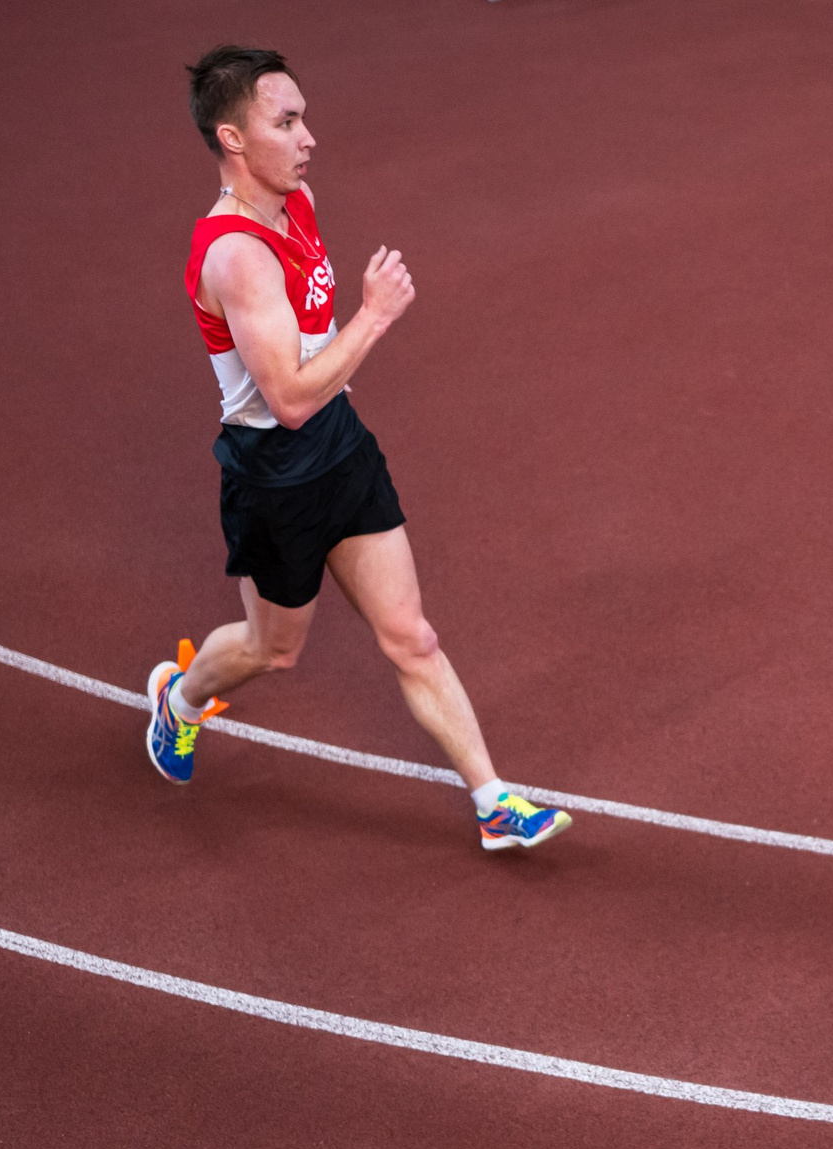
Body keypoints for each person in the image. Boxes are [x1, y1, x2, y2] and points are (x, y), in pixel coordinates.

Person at [146, 44, 568, 852]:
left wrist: (342, 369)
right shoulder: (235, 256)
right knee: (275, 651)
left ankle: (493, 802)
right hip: (275, 473)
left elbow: (311, 353)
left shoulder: (295, 200)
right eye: (287, 121)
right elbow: (291, 399)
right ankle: (181, 701)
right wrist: (373, 317)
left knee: (412, 635)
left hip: (340, 444)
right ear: (233, 139)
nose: (308, 138)